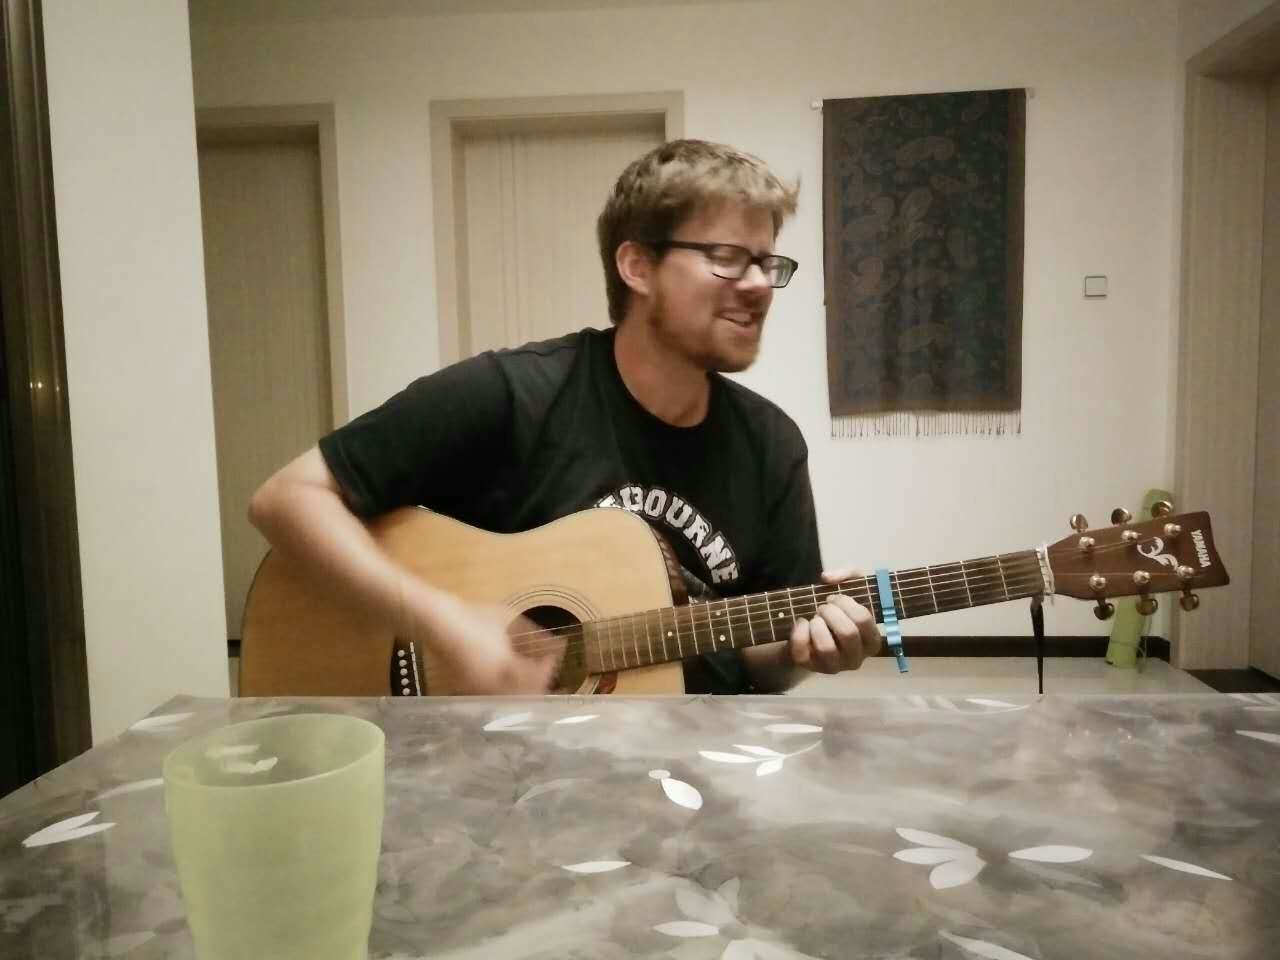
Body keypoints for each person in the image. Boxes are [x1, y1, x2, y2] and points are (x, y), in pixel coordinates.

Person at [248, 138, 881, 696]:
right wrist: (439, 622)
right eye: (728, 256)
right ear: (637, 266)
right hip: (488, 752)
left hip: (691, 756)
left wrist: (807, 651)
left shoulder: (772, 444)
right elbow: (286, 498)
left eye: (767, 262)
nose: (760, 285)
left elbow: (760, 659)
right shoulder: (511, 393)